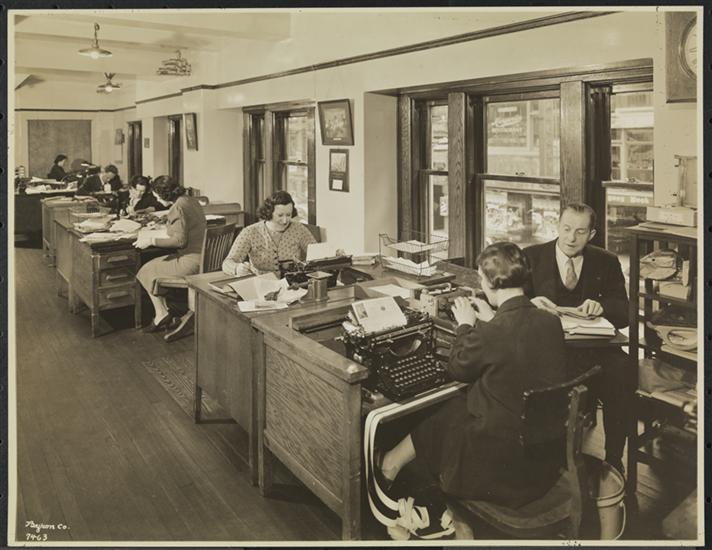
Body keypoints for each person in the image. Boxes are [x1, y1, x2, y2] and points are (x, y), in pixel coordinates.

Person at [380, 242, 569, 510]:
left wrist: (466, 325)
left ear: (492, 283)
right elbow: (517, 343)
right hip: (540, 461)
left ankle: (391, 465)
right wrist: (493, 319)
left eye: (481, 278)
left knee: (443, 411)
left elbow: (457, 369)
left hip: (500, 465)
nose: (481, 284)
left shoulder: (492, 333)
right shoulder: (551, 321)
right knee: (455, 408)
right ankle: (392, 462)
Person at [523, 202, 631, 475]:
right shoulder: (531, 257)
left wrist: (602, 306)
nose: (571, 238)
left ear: (591, 234)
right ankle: (548, 458)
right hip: (549, 348)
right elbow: (510, 304)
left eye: (580, 232)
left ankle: (614, 458)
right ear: (557, 226)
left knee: (623, 370)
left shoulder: (606, 261)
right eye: (566, 228)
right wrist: (530, 304)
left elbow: (624, 312)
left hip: (594, 349)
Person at [134, 175, 206, 341]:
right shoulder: (190, 200)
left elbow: (179, 241)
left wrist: (151, 240)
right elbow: (184, 227)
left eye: (158, 196)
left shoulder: (177, 208)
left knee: (145, 269)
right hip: (204, 259)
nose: (157, 199)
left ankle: (161, 313)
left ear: (165, 194)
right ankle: (167, 311)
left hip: (191, 262)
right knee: (155, 264)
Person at [222, 190, 316, 277]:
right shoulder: (250, 232)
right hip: (260, 283)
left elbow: (318, 254)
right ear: (269, 212)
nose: (285, 221)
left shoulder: (299, 229)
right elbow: (227, 262)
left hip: (292, 283)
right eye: (280, 215)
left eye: (288, 215)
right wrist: (237, 268)